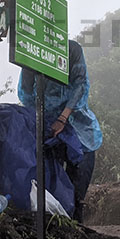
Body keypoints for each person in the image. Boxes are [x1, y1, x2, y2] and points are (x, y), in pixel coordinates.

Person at [18, 40, 103, 222]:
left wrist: (63, 118)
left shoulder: (72, 49)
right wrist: (46, 118)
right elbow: (25, 92)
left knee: (78, 187)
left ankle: (77, 228)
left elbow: (81, 85)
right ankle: (57, 233)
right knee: (55, 185)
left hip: (79, 128)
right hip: (49, 130)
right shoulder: (31, 50)